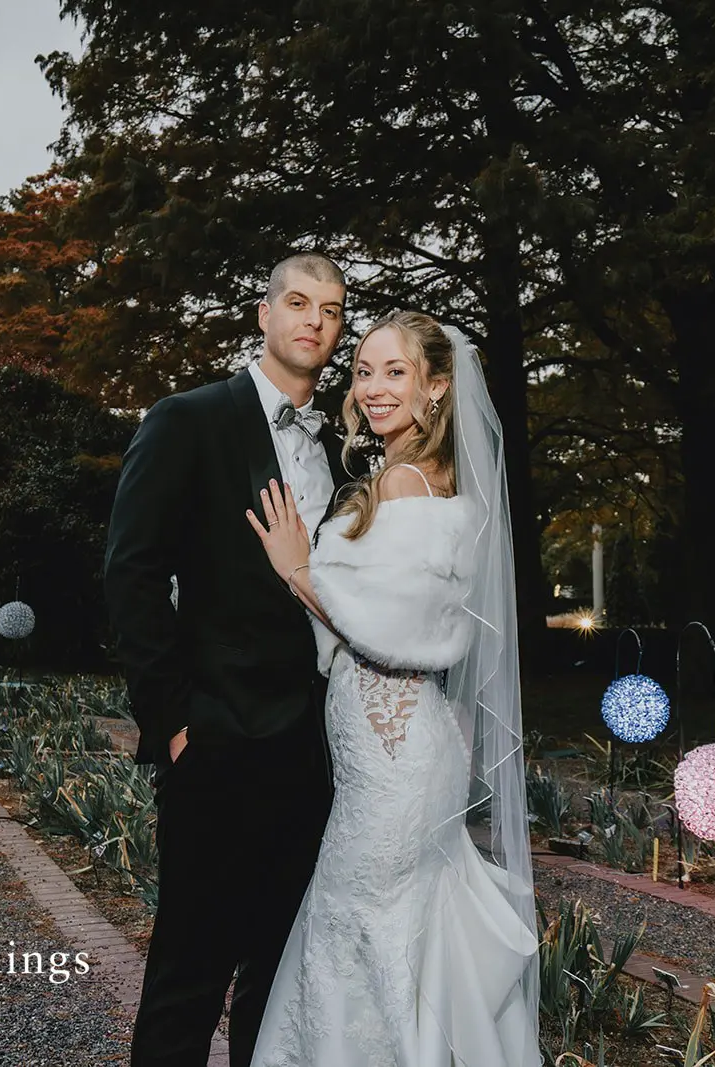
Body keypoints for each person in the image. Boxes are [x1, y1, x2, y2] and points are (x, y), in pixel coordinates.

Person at [244, 311, 541, 1067]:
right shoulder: (425, 478)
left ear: (437, 387)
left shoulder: (407, 482)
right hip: (404, 740)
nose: (373, 388)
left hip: (393, 750)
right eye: (365, 370)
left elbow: (383, 623)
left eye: (396, 372)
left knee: (359, 918)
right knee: (389, 920)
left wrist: (294, 567)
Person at [104, 252, 352, 1067]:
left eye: (332, 309)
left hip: (322, 756)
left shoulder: (351, 449)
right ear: (263, 314)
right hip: (217, 743)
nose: (315, 320)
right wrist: (174, 722)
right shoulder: (190, 419)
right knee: (189, 978)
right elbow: (132, 572)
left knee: (282, 984)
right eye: (298, 302)